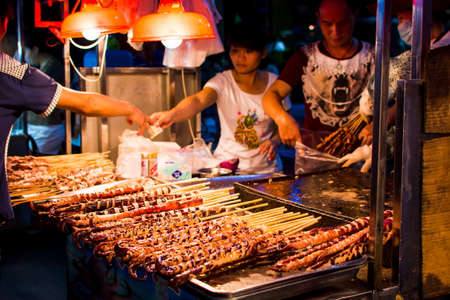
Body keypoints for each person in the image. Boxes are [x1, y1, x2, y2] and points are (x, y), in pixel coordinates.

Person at [0, 0, 151, 221]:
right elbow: (86, 103)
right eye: (9, 16)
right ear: (4, 22)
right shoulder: (10, 72)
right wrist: (130, 109)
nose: (12, 20)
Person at [149, 23, 291, 174]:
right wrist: (172, 114)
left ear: (263, 52)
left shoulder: (275, 84)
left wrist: (275, 141)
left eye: (248, 51)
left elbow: (284, 124)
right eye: (235, 51)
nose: (240, 58)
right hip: (228, 169)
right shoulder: (222, 82)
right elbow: (198, 100)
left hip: (267, 170)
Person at [262, 0, 374, 147]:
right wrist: (282, 119)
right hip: (314, 154)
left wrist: (380, 124)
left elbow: (401, 100)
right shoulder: (305, 56)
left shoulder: (374, 56)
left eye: (343, 23)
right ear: (318, 18)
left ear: (355, 15)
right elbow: (270, 96)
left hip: (362, 154)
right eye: (328, 24)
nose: (335, 31)